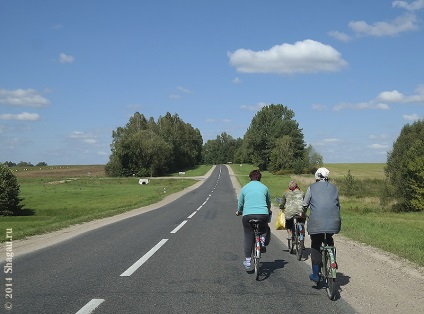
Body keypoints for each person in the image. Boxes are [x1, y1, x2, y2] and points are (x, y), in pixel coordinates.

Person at [302, 167, 341, 283]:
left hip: (316, 223)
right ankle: (332, 259)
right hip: (334, 222)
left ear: (317, 176)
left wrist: (303, 214)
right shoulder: (334, 188)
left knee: (316, 244)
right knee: (329, 238)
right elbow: (338, 205)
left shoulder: (311, 188)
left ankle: (315, 274)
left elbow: (305, 205)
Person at [236, 169, 272, 269]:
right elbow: (268, 202)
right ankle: (263, 240)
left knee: (248, 236)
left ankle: (248, 261)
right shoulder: (265, 188)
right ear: (259, 178)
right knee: (264, 226)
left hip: (248, 215)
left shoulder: (245, 188)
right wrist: (268, 210)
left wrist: (239, 211)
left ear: (250, 177)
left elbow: (240, 203)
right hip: (262, 214)